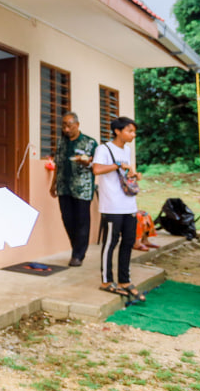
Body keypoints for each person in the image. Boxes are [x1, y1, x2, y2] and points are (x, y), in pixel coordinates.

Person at [93, 116, 144, 301]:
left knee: (129, 241)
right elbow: (97, 170)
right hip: (112, 205)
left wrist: (134, 174)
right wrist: (116, 165)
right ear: (117, 131)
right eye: (129, 131)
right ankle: (107, 281)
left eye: (133, 131)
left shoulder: (127, 149)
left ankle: (124, 280)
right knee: (110, 243)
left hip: (128, 204)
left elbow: (126, 172)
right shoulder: (104, 149)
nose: (133, 134)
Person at [49, 111, 96, 266]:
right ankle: (76, 248)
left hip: (82, 188)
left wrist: (87, 163)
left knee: (82, 221)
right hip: (64, 186)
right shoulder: (62, 142)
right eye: (64, 126)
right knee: (67, 219)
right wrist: (53, 183)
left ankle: (78, 255)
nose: (66, 129)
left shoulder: (90, 143)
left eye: (69, 126)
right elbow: (58, 163)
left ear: (77, 125)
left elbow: (96, 166)